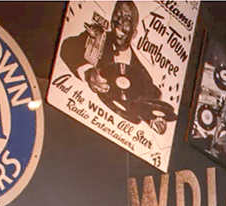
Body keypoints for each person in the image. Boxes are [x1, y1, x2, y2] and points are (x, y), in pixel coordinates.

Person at [59, 0, 168, 133]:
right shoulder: (96, 38)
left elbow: (151, 96)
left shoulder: (142, 73)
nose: (120, 22)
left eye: (127, 19)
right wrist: (87, 72)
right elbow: (68, 46)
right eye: (117, 17)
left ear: (134, 34)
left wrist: (154, 117)